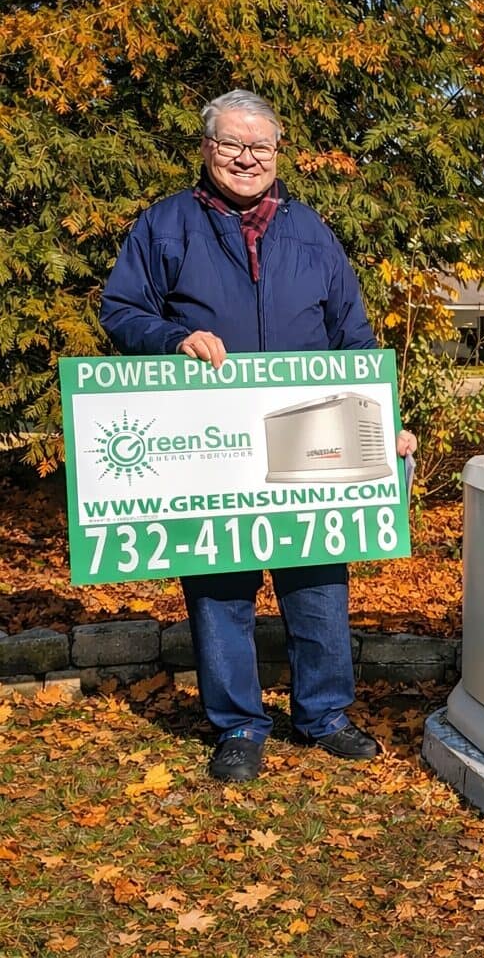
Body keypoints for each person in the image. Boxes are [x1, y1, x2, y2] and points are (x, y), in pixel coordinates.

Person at [100, 89, 417, 782]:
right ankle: (238, 725)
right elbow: (120, 310)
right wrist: (172, 337)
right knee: (219, 590)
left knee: (318, 586)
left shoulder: (313, 234)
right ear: (207, 149)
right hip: (212, 444)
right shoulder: (164, 226)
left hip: (312, 440)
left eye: (260, 147)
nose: (247, 158)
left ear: (278, 153)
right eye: (232, 145)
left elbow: (352, 341)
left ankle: (325, 716)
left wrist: (383, 424)